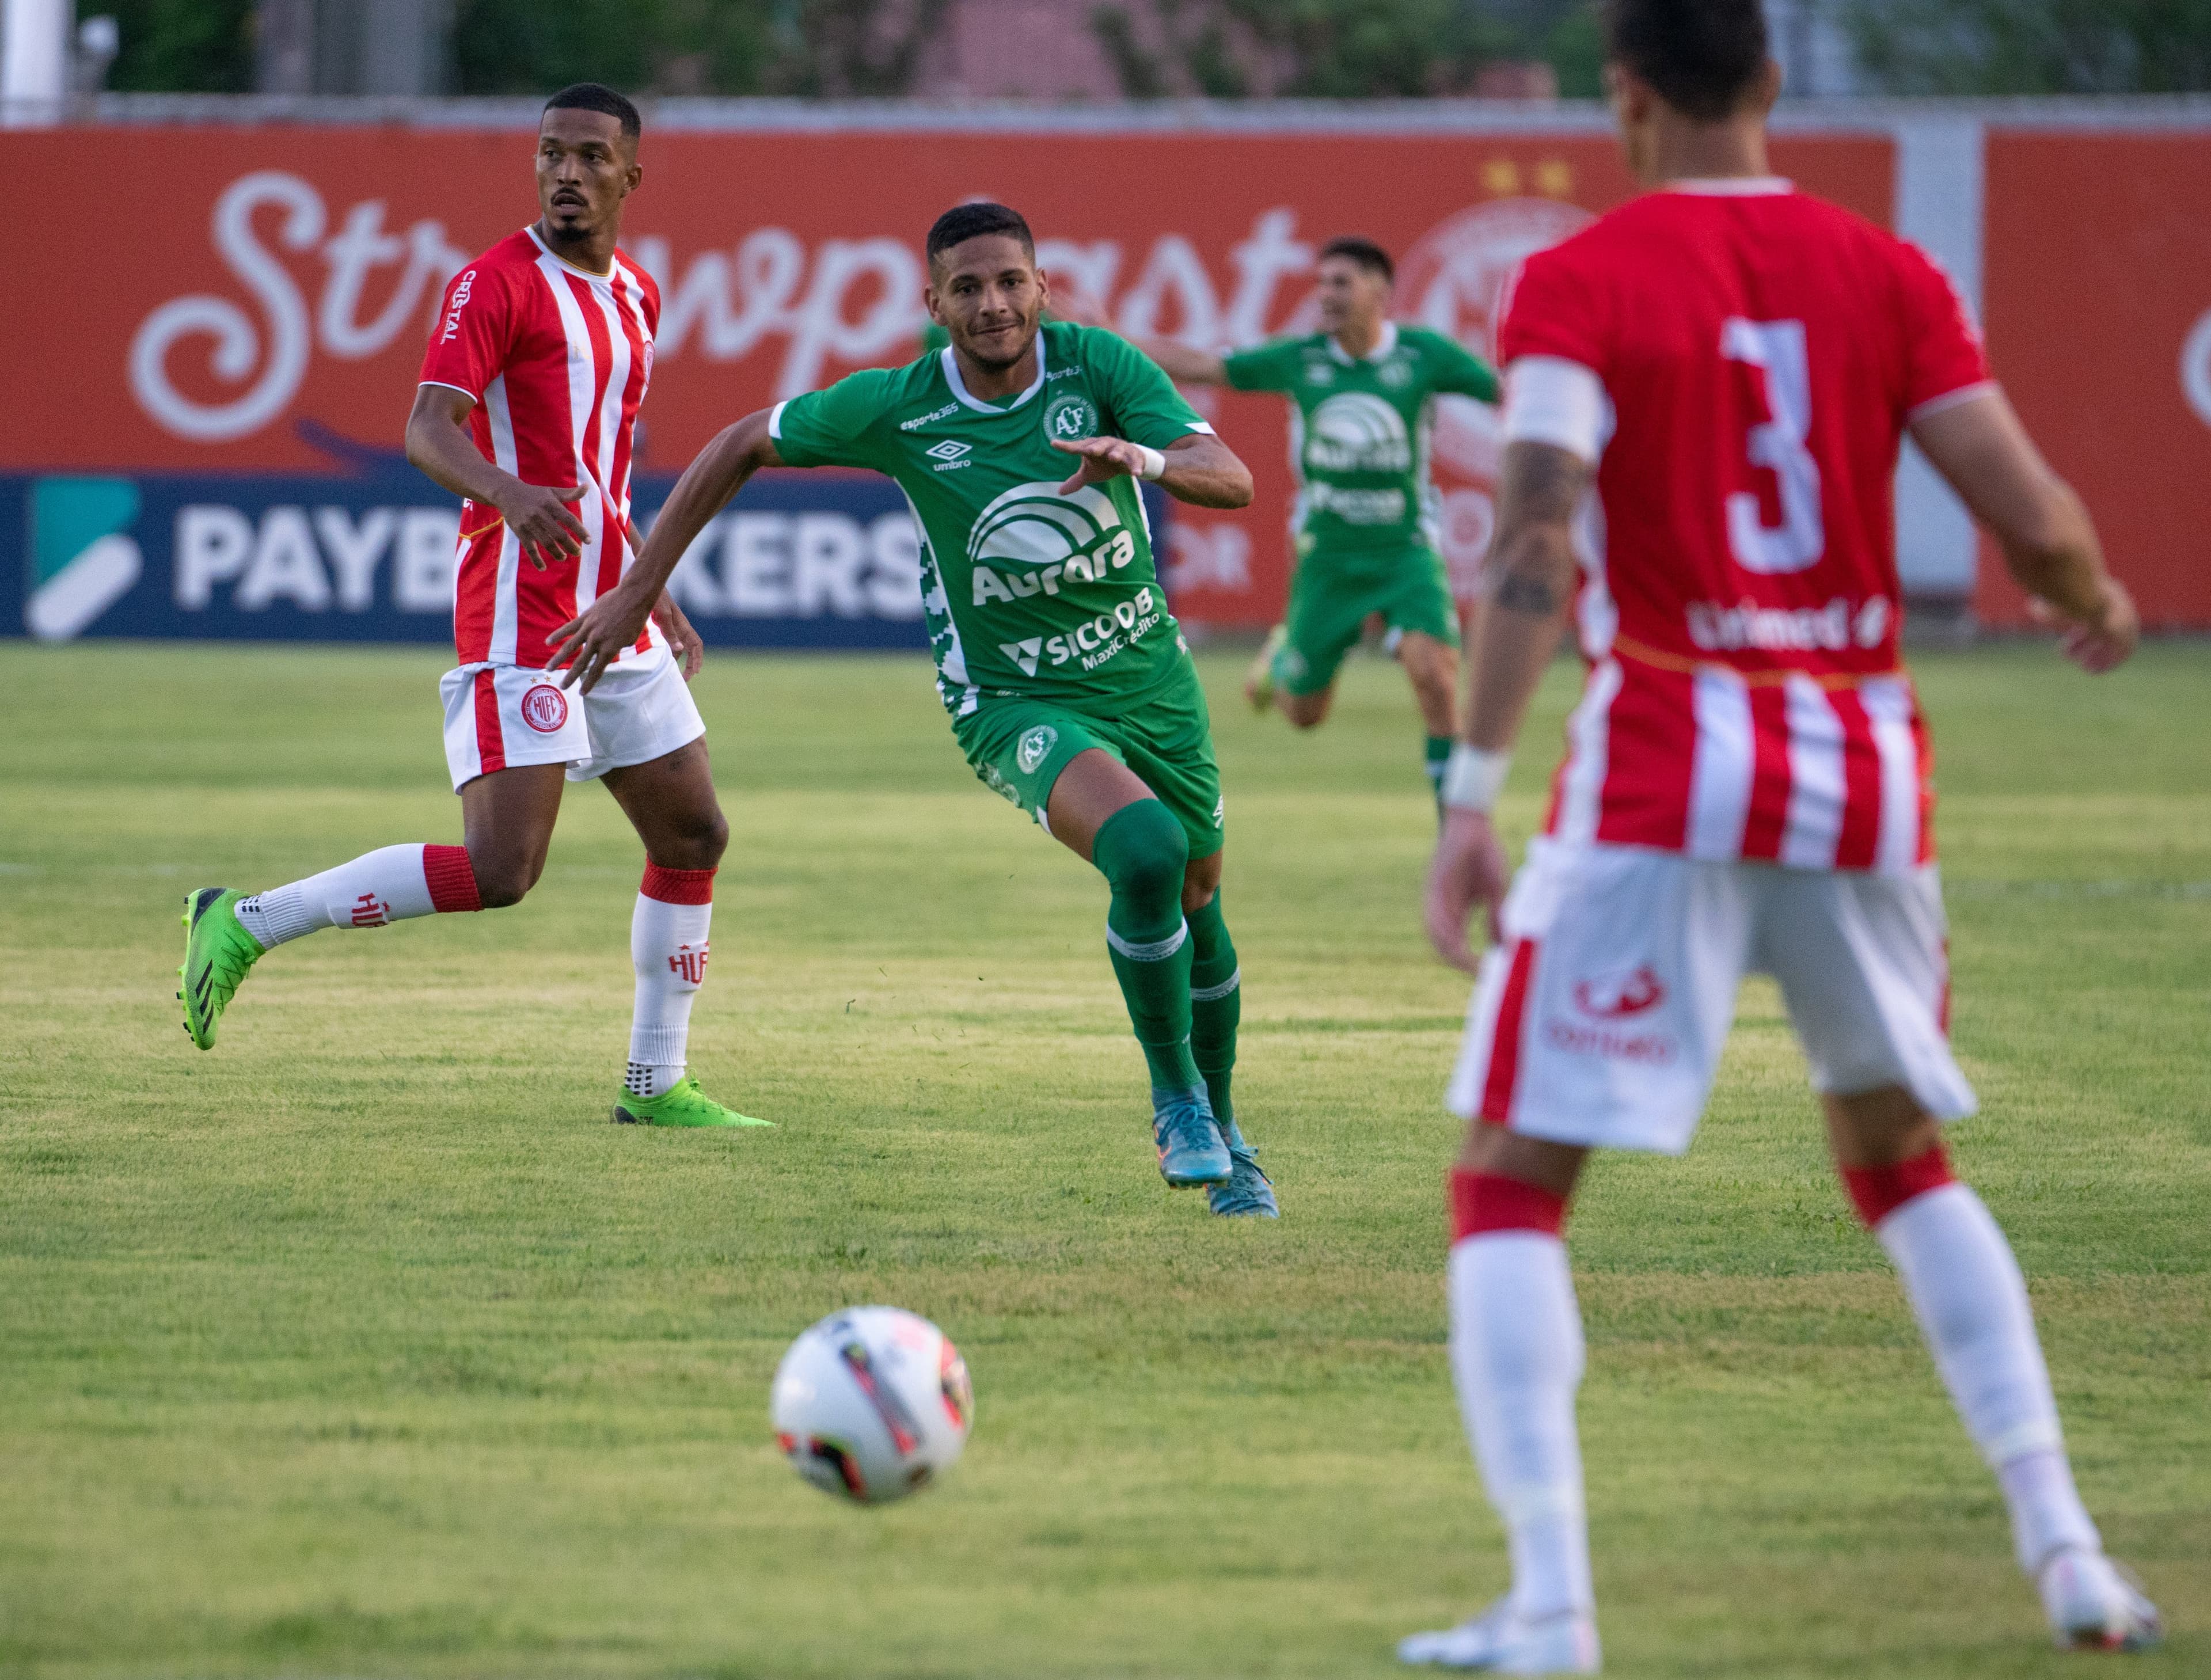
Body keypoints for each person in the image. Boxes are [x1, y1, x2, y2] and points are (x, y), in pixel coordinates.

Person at [1403, 0, 2160, 1668]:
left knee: (1510, 1181)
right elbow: (2032, 519)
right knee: (1900, 1159)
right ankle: (2071, 1554)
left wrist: (1471, 790)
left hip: (1671, 754)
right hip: (1861, 763)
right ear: (1769, 78)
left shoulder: (1580, 278)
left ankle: (1552, 1609)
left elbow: (1538, 531)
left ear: (1624, 99)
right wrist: (2090, 592)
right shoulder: (1889, 273)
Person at [550, 201, 1279, 1217]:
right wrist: (636, 587)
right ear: (931, 302)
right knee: (1148, 852)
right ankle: (1176, 1101)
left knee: (1198, 894)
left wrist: (1144, 459)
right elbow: (740, 441)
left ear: (1042, 288)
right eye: (968, 288)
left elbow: (1232, 477)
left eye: (1010, 282)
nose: (993, 305)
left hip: (1150, 681)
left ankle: (1230, 1130)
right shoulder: (899, 405)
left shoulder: (1100, 369)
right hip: (1012, 698)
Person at [177, 83, 766, 1131]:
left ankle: (656, 1082)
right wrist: (505, 490)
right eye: (551, 155)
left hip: (611, 612)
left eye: (590, 157)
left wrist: (649, 583)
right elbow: (425, 426)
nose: (567, 175)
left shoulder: (635, 293)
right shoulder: (493, 284)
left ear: (633, 174)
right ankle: (247, 920)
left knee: (694, 833)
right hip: (522, 614)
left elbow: (603, 470)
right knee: (503, 870)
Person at [1123, 238, 1499, 807]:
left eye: (1341, 282)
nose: (1326, 294)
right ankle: (1281, 661)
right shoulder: (1302, 358)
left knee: (1435, 673)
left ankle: (1459, 837)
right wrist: (1103, 338)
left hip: (1406, 551)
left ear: (1380, 291)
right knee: (1304, 713)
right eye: (1321, 282)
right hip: (1327, 560)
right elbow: (1207, 365)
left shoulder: (1424, 355)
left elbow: (1505, 389)